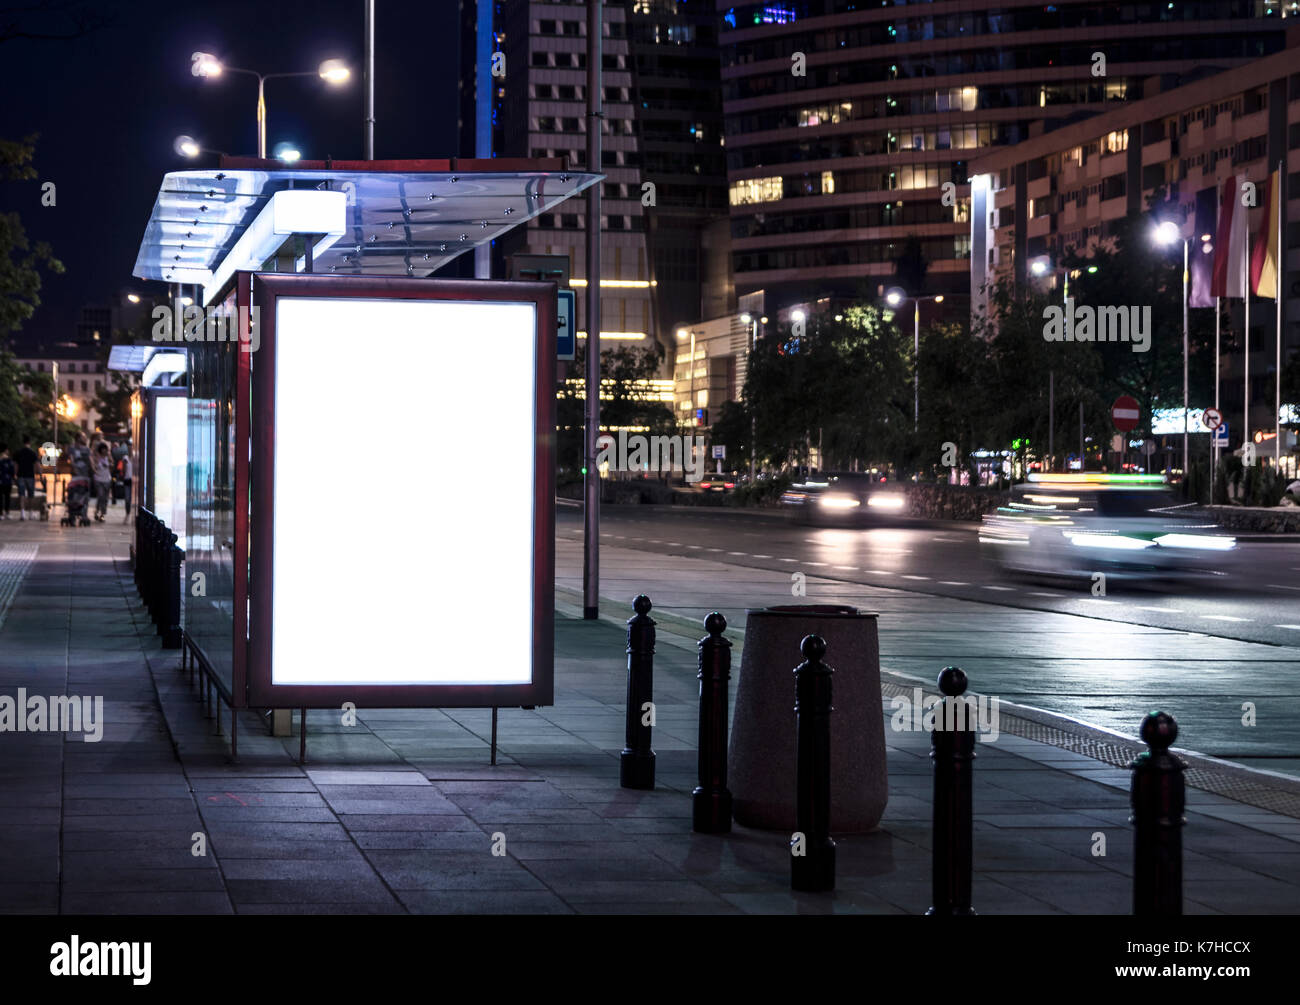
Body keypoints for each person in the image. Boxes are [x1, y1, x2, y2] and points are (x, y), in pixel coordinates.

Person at [14, 438, 38, 521]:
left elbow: (16, 465)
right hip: (30, 476)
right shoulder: (32, 453)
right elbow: (36, 464)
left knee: (21, 494)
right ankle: (31, 513)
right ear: (29, 442)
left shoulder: (18, 452)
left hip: (20, 476)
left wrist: (15, 475)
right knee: (31, 495)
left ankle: (22, 513)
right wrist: (38, 474)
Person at [91, 440, 112, 522]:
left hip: (107, 479)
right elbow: (93, 466)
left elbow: (112, 464)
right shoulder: (96, 457)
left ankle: (102, 514)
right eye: (103, 449)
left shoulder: (108, 457)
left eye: (105, 449)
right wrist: (95, 468)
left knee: (105, 498)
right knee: (100, 496)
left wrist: (109, 465)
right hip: (98, 479)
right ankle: (97, 511)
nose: (104, 451)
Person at [120, 451, 135, 523]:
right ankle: (127, 513)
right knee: (127, 499)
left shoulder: (136, 457)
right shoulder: (125, 458)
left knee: (133, 499)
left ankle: (132, 515)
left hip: (134, 481)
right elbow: (123, 469)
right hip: (127, 480)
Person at [0, 446, 13, 520]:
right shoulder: (8, 460)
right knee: (7, 497)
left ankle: (2, 513)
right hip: (7, 481)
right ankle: (7, 513)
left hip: (4, 481)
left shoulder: (6, 460)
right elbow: (12, 470)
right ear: (5, 450)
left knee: (2, 497)